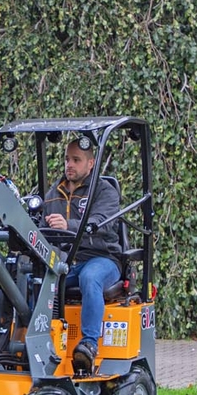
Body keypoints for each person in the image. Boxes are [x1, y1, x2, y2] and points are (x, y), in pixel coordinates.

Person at [44, 139, 121, 373]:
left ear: (91, 163)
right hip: (67, 263)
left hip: (103, 259)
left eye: (76, 160)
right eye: (67, 159)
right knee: (32, 279)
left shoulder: (104, 191)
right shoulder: (52, 194)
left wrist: (68, 225)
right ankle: (33, 338)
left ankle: (88, 344)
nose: (70, 165)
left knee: (91, 277)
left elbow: (102, 224)